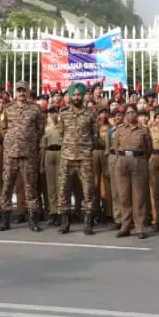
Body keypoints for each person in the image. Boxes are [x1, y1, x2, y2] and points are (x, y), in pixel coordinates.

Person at [0, 82, 45, 231]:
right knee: (7, 186)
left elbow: (40, 129)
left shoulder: (35, 109)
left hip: (28, 154)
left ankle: (33, 220)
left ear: (28, 92)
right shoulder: (8, 109)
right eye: (19, 91)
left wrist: (29, 140)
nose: (21, 93)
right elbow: (3, 128)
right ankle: (5, 220)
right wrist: (12, 139)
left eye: (24, 91)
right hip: (11, 154)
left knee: (30, 187)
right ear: (15, 93)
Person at [57, 83, 98, 235]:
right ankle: (65, 221)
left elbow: (95, 135)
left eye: (78, 94)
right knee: (63, 189)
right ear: (69, 97)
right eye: (73, 95)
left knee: (88, 190)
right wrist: (68, 146)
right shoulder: (64, 113)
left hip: (84, 157)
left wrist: (86, 148)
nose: (76, 97)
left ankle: (88, 221)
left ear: (82, 96)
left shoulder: (90, 114)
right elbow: (61, 134)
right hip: (67, 157)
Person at [111, 103, 151, 238]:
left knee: (139, 196)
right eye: (128, 113)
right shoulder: (120, 130)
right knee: (124, 196)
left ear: (137, 114)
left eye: (133, 112)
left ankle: (140, 227)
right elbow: (116, 147)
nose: (130, 115)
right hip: (122, 162)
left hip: (138, 161)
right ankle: (125, 226)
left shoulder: (144, 130)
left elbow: (148, 149)